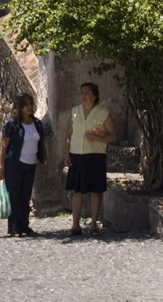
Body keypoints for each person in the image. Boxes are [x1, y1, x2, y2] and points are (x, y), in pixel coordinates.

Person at [64, 82, 116, 235]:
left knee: (95, 190)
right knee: (77, 190)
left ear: (95, 96)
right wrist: (66, 154)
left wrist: (99, 138)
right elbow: (68, 135)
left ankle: (93, 224)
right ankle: (75, 225)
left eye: (87, 93)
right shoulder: (75, 112)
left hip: (95, 155)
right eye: (81, 92)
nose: (83, 96)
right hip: (76, 155)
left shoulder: (103, 114)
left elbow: (113, 136)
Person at [0, 94, 46, 237]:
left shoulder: (37, 124)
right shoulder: (12, 124)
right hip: (14, 164)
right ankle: (14, 227)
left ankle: (25, 225)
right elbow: (4, 147)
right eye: (26, 104)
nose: (29, 107)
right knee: (14, 195)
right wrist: (2, 167)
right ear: (20, 107)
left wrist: (44, 164)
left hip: (31, 164)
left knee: (26, 196)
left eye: (31, 104)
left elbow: (43, 144)